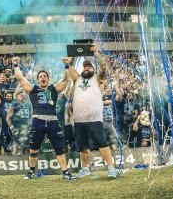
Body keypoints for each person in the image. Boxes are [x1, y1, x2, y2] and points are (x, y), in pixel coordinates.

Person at [13, 56, 77, 180]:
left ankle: (65, 173)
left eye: (45, 76)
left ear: (48, 79)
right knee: (34, 148)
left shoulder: (54, 88)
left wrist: (67, 66)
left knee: (59, 149)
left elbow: (65, 79)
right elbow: (20, 78)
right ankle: (31, 172)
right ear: (38, 80)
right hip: (38, 121)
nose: (43, 77)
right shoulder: (33, 89)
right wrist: (16, 65)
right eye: (41, 76)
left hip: (53, 121)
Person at [63, 44, 117, 178]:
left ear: (93, 69)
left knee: (102, 143)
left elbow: (104, 67)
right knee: (82, 146)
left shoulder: (98, 79)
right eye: (85, 66)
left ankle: (111, 168)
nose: (86, 67)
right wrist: (71, 59)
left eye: (89, 66)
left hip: (94, 119)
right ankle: (85, 168)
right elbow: (70, 69)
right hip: (79, 120)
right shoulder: (77, 79)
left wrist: (96, 53)